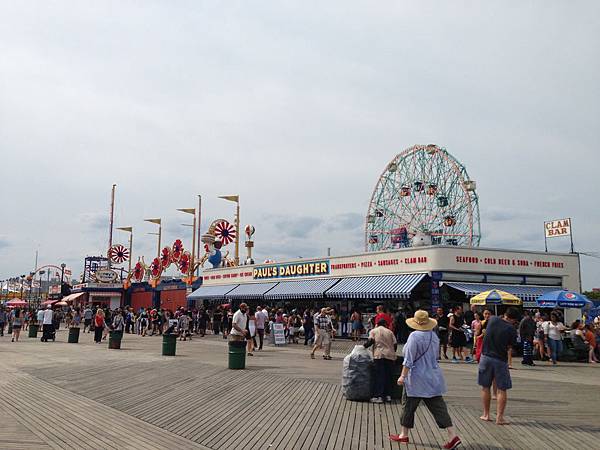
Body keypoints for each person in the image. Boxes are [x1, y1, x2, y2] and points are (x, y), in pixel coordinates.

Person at [390, 310, 461, 449]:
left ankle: (403, 434)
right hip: (433, 376)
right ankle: (452, 435)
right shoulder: (434, 336)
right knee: (438, 406)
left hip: (416, 378)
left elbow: (409, 360)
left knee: (408, 406)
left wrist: (402, 376)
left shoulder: (414, 337)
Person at [478, 307, 519, 425]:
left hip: (485, 357)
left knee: (485, 386)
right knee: (502, 389)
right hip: (500, 359)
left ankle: (486, 414)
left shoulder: (492, 319)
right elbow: (511, 345)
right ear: (513, 319)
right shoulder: (511, 329)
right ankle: (499, 417)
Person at [364, 318, 397, 403]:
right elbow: (395, 344)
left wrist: (363, 347)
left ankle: (379, 396)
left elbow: (370, 341)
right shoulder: (390, 332)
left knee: (379, 376)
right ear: (385, 325)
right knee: (388, 376)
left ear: (377, 324)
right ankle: (388, 395)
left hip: (379, 356)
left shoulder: (374, 331)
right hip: (390, 356)